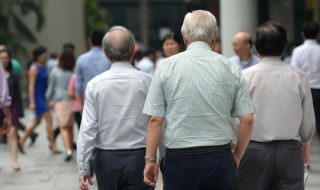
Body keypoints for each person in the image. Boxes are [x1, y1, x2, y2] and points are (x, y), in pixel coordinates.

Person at [143, 10, 255, 189]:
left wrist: (150, 160)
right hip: (219, 157)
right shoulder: (230, 68)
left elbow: (155, 120)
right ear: (214, 37)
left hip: (178, 159)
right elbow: (247, 120)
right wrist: (237, 155)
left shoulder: (164, 68)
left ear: (184, 36)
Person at [234, 21, 315, 190]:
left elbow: (235, 119)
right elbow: (307, 122)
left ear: (256, 47)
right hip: (290, 152)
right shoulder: (298, 76)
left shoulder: (244, 76)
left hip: (253, 150)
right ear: (284, 46)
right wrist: (306, 143)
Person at [77, 26, 153, 190]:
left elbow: (88, 129)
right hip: (140, 156)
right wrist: (157, 159)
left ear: (106, 53)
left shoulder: (94, 85)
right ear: (133, 50)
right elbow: (157, 122)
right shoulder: (148, 82)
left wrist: (83, 167)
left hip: (107, 159)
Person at [19, 46, 59, 153]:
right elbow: (31, 86)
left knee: (37, 122)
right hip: (38, 97)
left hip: (43, 96)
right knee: (49, 120)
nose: (45, 56)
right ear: (38, 55)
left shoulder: (43, 66)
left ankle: (22, 141)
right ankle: (53, 145)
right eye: (44, 54)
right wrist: (32, 101)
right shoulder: (33, 68)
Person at [291, 21, 320, 143]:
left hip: (303, 89)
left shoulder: (297, 51)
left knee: (304, 118)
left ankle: (305, 143)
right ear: (318, 34)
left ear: (302, 34)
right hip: (319, 88)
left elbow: (293, 70)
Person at [46, 49, 75, 161]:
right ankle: (71, 148)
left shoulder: (55, 71)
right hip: (72, 100)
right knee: (70, 126)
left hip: (59, 101)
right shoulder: (74, 70)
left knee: (63, 127)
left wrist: (48, 98)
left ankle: (68, 150)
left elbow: (51, 87)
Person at [0, 49, 23, 170]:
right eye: (2, 57)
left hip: (11, 105)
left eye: (6, 57)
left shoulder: (13, 74)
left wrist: (19, 110)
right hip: (2, 106)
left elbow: (17, 94)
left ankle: (14, 161)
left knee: (12, 133)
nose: (4, 59)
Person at [75, 30, 111, 104]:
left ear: (89, 40)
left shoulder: (81, 59)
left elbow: (79, 85)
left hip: (88, 99)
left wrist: (82, 103)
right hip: (106, 99)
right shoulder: (109, 58)